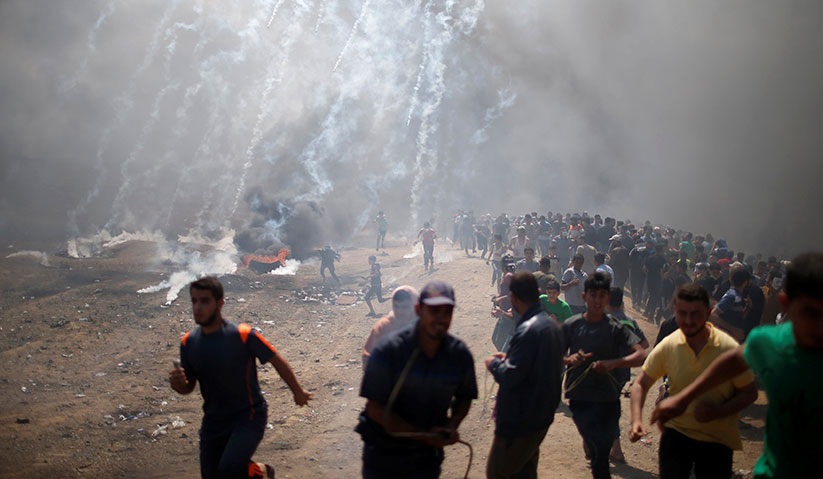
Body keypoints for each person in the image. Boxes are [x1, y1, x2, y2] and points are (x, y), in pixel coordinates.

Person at [651, 252, 823, 479]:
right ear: (785, 303)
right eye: (810, 313)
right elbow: (728, 363)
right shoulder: (767, 342)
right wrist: (681, 400)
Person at [169, 277, 312, 479]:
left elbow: (275, 359)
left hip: (248, 415)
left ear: (220, 304)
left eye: (204, 301)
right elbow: (188, 386)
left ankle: (260, 471)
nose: (198, 307)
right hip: (213, 420)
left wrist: (297, 391)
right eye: (194, 301)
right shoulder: (189, 342)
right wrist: (178, 384)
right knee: (211, 475)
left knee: (230, 468)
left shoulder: (243, 335)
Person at [629, 284, 757, 479]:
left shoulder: (728, 348)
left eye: (695, 314)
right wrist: (636, 420)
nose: (688, 321)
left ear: (709, 312)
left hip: (717, 439)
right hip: (676, 435)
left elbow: (749, 392)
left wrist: (718, 411)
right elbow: (641, 383)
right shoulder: (669, 345)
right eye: (682, 313)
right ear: (675, 311)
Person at [356, 281, 478, 479]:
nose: (440, 319)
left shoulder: (458, 355)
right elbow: (374, 407)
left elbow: (465, 396)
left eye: (446, 312)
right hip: (384, 455)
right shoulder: (389, 349)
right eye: (434, 311)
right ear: (419, 310)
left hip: (426, 458)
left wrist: (452, 424)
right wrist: (421, 433)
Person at [562, 273, 646, 479]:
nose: (597, 300)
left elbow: (641, 354)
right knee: (596, 449)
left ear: (607, 299)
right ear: (584, 297)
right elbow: (552, 353)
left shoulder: (616, 328)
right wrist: (569, 360)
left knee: (600, 456)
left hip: (608, 396)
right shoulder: (572, 325)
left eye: (602, 296)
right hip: (579, 397)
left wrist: (614, 363)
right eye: (593, 295)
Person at [485, 272, 565, 478]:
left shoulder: (529, 330)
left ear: (513, 298)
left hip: (519, 420)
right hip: (539, 416)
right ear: (538, 293)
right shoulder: (549, 325)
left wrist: (494, 364)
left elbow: (511, 376)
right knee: (525, 472)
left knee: (500, 473)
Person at [605, 286, 649, 464]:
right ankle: (614, 448)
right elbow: (644, 344)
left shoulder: (602, 321)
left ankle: (615, 449)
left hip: (605, 372)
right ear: (622, 302)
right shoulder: (630, 321)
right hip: (623, 372)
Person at [362, 286, 419, 371]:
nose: (400, 311)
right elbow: (368, 356)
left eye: (405, 307)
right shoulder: (384, 326)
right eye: (396, 306)